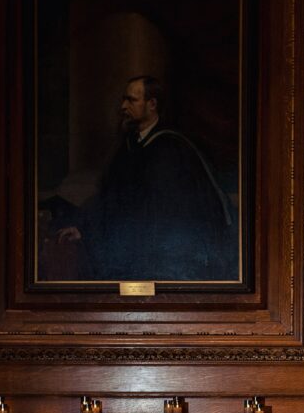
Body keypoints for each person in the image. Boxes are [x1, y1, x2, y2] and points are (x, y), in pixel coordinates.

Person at [52, 75, 235, 282]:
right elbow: (112, 195)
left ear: (152, 104)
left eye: (131, 100)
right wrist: (83, 227)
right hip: (134, 247)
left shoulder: (171, 148)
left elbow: (167, 211)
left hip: (169, 256)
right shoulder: (129, 146)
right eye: (124, 99)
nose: (123, 106)